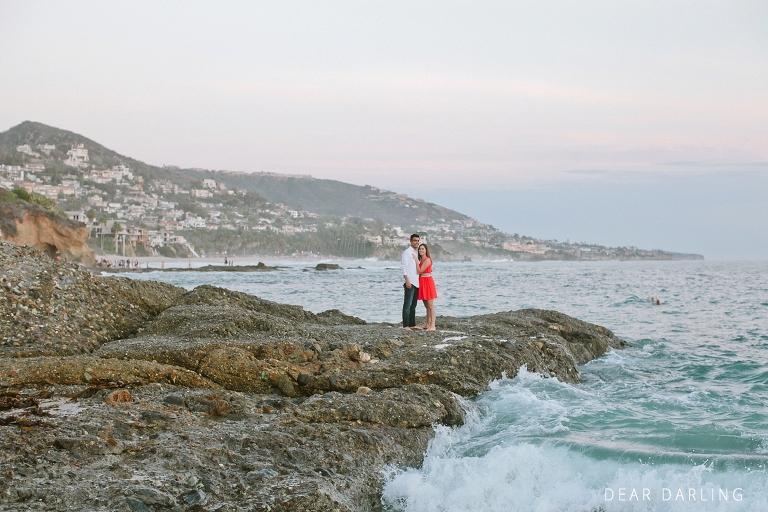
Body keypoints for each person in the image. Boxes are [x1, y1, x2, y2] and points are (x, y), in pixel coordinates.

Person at [413, 243, 438, 331]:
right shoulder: (422, 260)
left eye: (423, 249)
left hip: (427, 282)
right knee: (426, 305)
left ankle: (433, 326)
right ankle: (427, 324)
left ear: (426, 250)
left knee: (431, 305)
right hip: (422, 282)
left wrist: (416, 260)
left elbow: (420, 271)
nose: (421, 250)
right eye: (420, 249)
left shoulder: (427, 260)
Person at [401, 234, 420, 329]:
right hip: (410, 282)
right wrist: (407, 280)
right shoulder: (407, 252)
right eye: (415, 240)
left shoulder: (416, 253)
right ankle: (406, 325)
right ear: (411, 241)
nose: (416, 242)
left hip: (416, 282)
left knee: (413, 305)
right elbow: (403, 267)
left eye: (418, 241)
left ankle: (412, 324)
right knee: (407, 305)